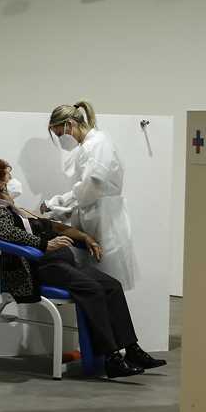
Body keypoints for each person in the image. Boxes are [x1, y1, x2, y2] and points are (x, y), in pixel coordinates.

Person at [0, 160, 164, 378]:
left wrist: (85, 237)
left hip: (61, 262)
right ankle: (111, 357)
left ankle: (132, 349)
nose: (13, 181)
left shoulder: (18, 210)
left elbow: (55, 227)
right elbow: (3, 233)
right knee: (91, 288)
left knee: (111, 285)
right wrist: (44, 244)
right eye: (8, 177)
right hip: (40, 266)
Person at [41, 101, 137, 290]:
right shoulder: (89, 146)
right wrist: (57, 203)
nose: (61, 141)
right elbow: (84, 189)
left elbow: (91, 187)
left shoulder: (98, 145)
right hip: (96, 219)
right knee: (95, 286)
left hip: (105, 222)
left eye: (60, 134)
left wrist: (59, 205)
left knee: (108, 285)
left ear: (70, 124)